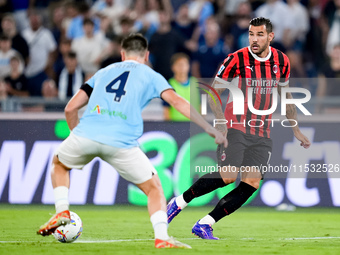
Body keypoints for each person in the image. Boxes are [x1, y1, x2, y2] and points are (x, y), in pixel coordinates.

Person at [36, 33, 227, 248]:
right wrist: (208, 127)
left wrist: (76, 135)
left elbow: (70, 108)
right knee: (155, 189)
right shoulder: (151, 75)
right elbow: (176, 102)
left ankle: (62, 211)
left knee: (59, 164)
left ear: (122, 53)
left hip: (86, 134)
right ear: (146, 55)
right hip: (122, 142)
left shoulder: (102, 72)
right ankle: (162, 238)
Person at [167, 17, 311, 239]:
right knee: (227, 176)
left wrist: (296, 129)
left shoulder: (282, 61)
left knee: (251, 183)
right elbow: (214, 93)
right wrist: (221, 122)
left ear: (270, 37)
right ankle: (178, 202)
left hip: (263, 131)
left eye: (259, 35)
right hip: (236, 125)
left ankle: (205, 223)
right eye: (251, 34)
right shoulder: (236, 59)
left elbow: (286, 95)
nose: (254, 39)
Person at [163, 53, 200, 121]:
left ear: (188, 66)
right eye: (179, 65)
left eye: (184, 64)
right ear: (173, 67)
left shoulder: (196, 83)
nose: (182, 67)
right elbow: (166, 108)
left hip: (194, 125)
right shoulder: (168, 85)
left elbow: (202, 105)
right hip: (176, 125)